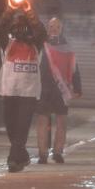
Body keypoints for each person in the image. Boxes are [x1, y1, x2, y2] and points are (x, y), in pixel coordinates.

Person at [0, 1, 47, 172]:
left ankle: (13, 160)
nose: (20, 31)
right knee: (11, 128)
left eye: (24, 27)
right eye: (17, 27)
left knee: (22, 127)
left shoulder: (35, 45)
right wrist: (9, 7)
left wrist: (29, 10)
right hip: (9, 91)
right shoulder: (7, 43)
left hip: (28, 93)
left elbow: (41, 32)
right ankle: (22, 156)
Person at [35, 17, 82, 164]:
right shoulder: (42, 45)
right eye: (51, 26)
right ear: (47, 29)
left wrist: (78, 87)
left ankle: (58, 152)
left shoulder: (67, 46)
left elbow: (74, 67)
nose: (53, 29)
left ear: (61, 29)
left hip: (61, 90)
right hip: (44, 89)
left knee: (62, 121)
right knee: (42, 121)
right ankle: (42, 153)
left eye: (56, 27)